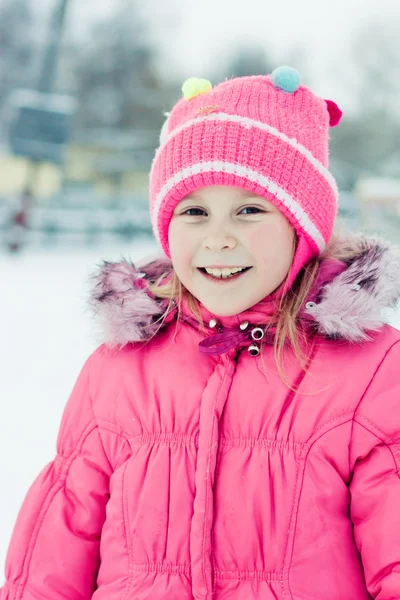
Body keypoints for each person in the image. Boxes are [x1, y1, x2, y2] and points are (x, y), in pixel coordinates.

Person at [1, 66, 400, 600]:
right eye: (194, 211)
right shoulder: (118, 369)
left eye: (249, 210)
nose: (217, 239)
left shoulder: (371, 374)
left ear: (302, 230)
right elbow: (58, 545)